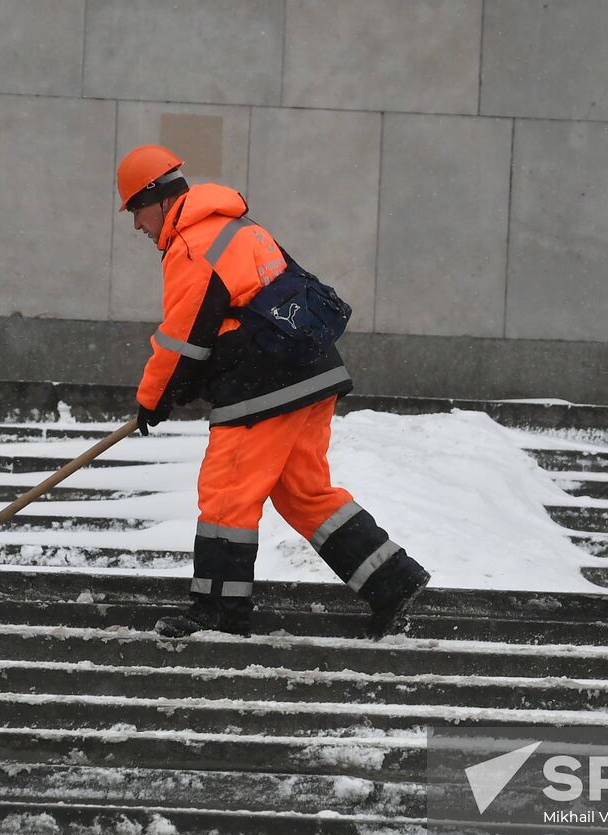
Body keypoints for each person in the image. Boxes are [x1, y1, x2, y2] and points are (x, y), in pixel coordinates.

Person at [116, 144, 429, 640]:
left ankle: (219, 612)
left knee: (226, 496)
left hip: (261, 390)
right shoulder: (240, 227)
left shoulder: (194, 244)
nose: (136, 225)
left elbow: (182, 337)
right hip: (311, 374)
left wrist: (153, 398)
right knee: (304, 492)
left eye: (135, 210)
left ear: (155, 199)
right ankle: (393, 581)